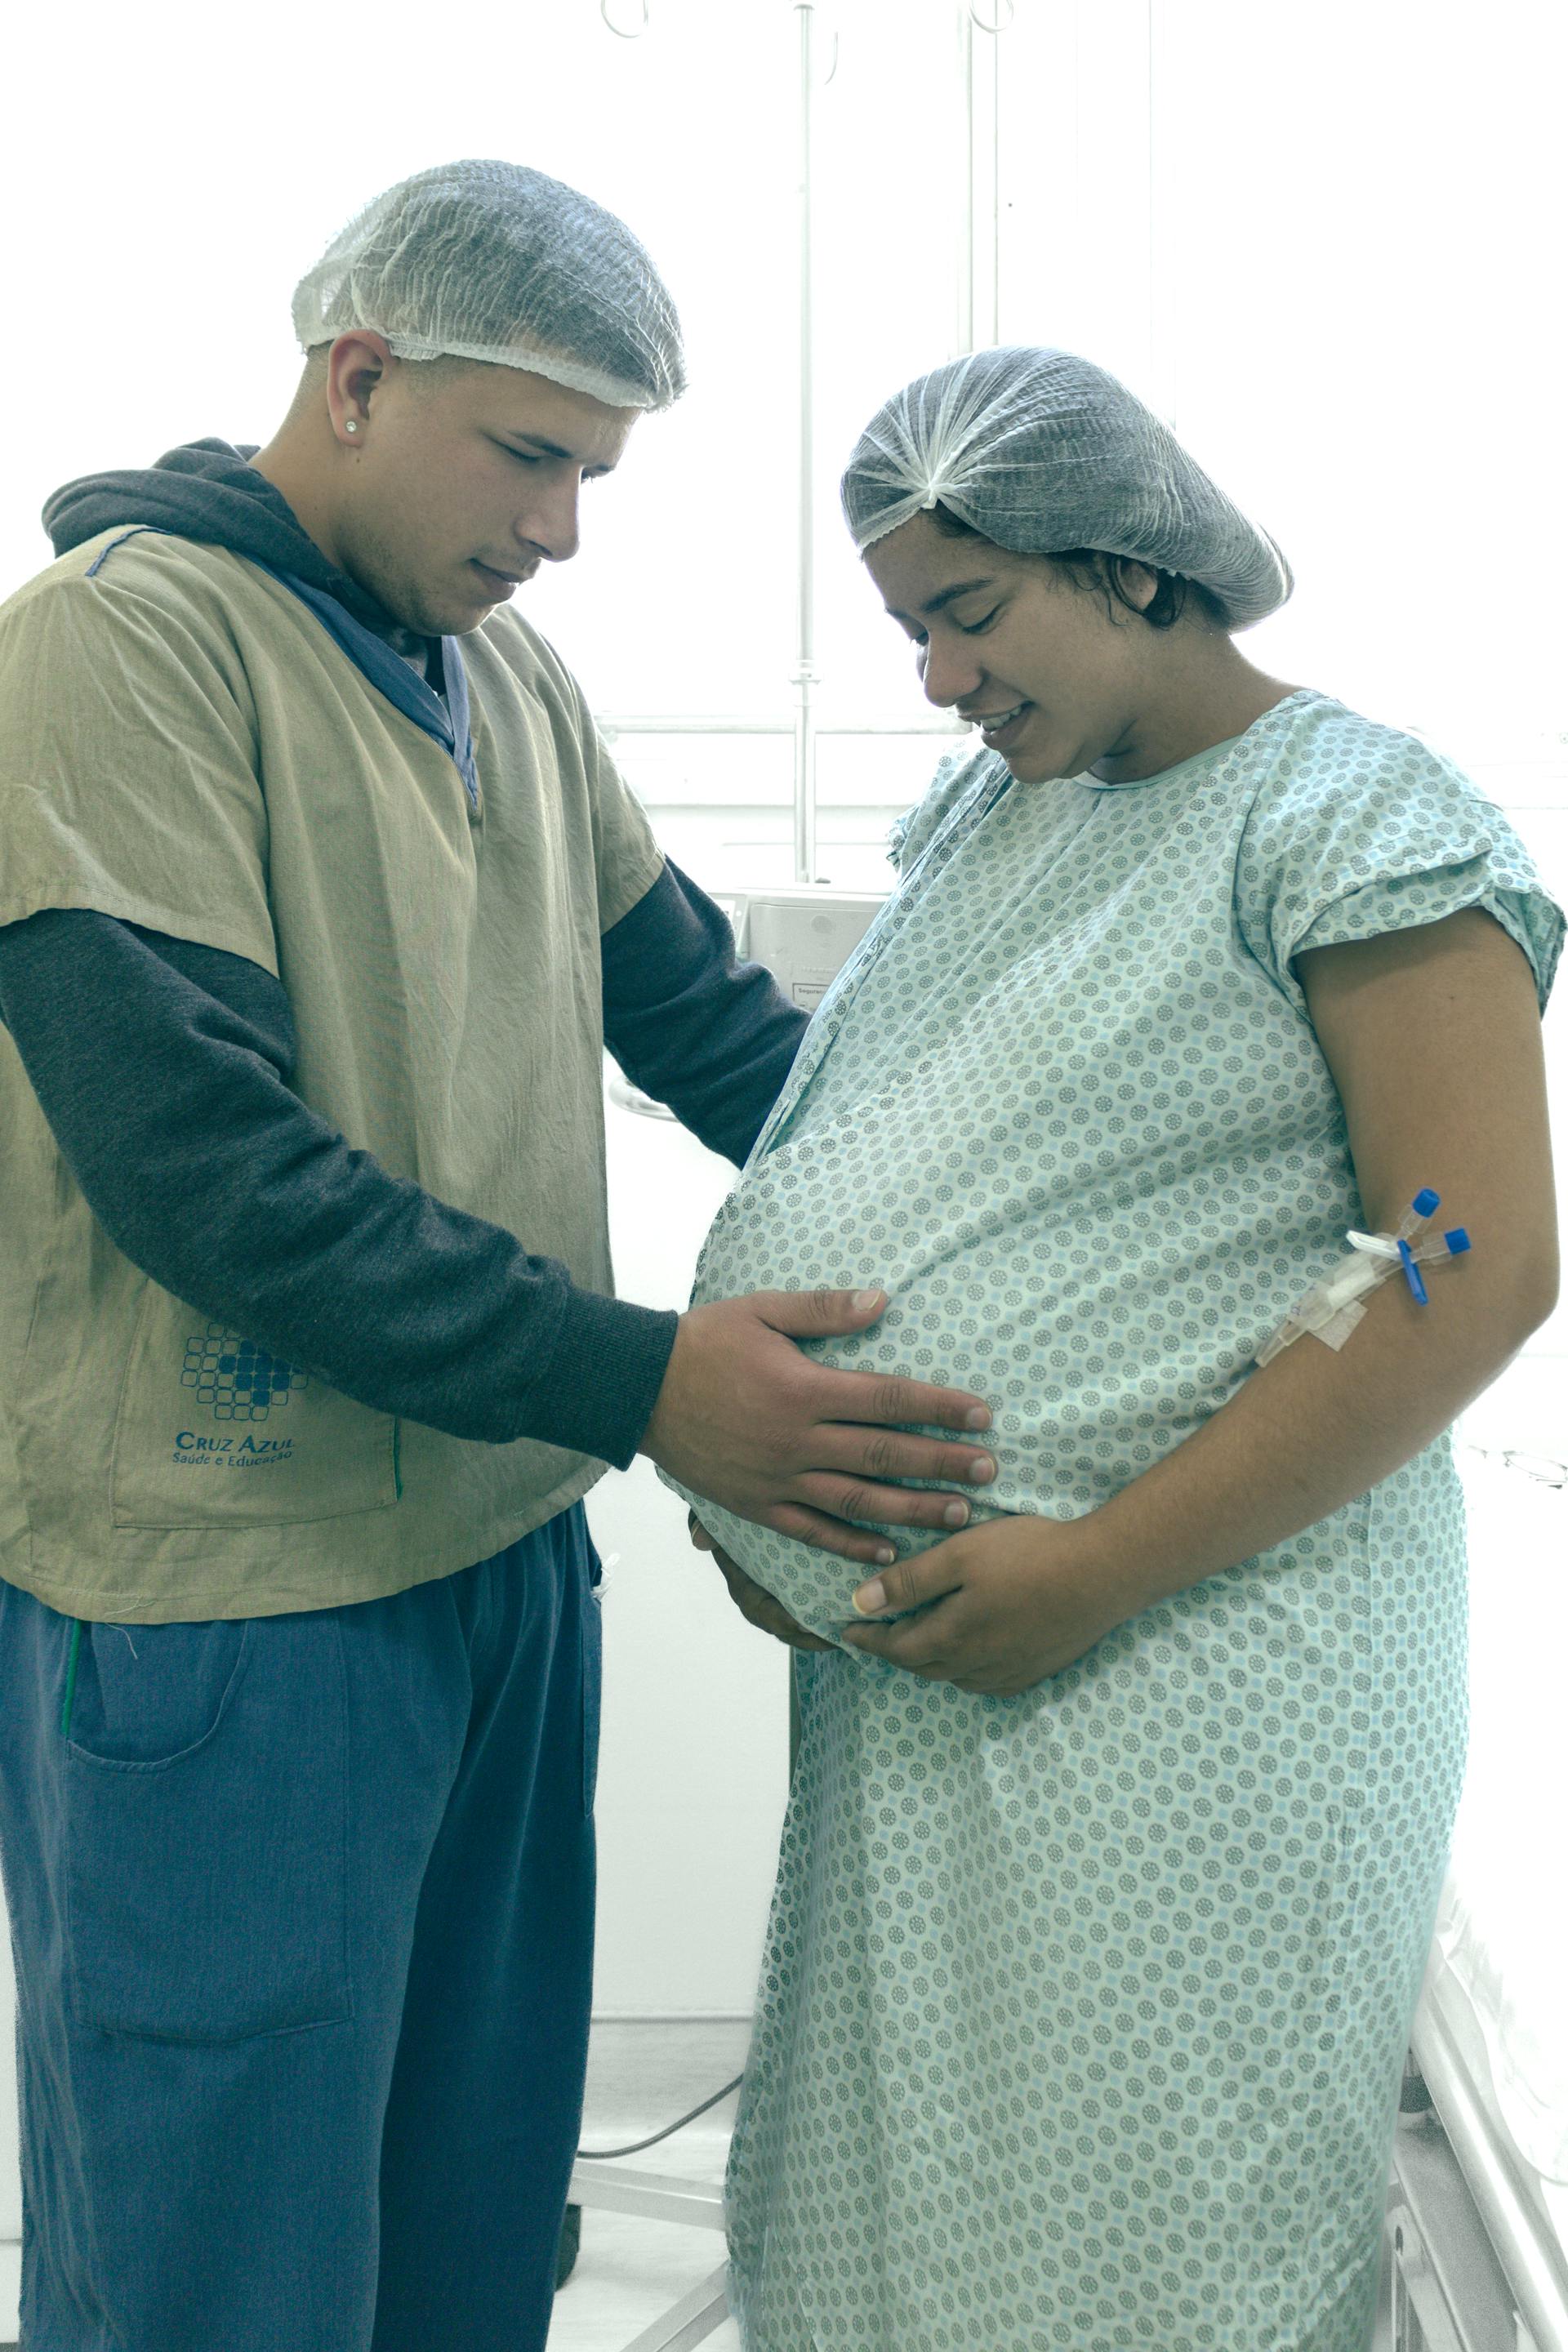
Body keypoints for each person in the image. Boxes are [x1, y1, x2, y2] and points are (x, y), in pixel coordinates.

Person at [0, 163, 1001, 2352]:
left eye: (596, 473)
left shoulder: (506, 681)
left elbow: (722, 1032)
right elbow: (202, 1170)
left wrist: (1030, 1212)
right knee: (216, 2262)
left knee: (464, 2231)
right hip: (231, 1600)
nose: (561, 527)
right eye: (532, 454)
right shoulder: (122, 646)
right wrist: (657, 1384)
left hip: (498, 1556)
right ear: (358, 377)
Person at [675, 345, 1562, 2352]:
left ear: (1136, 566)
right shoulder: (997, 821)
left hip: (1205, 1644)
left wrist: (1101, 1555)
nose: (938, 681)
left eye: (969, 616)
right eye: (910, 631)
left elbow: (1449, 1245)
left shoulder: (1352, 819)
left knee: (1155, 2227)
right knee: (910, 2208)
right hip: (949, 1665)